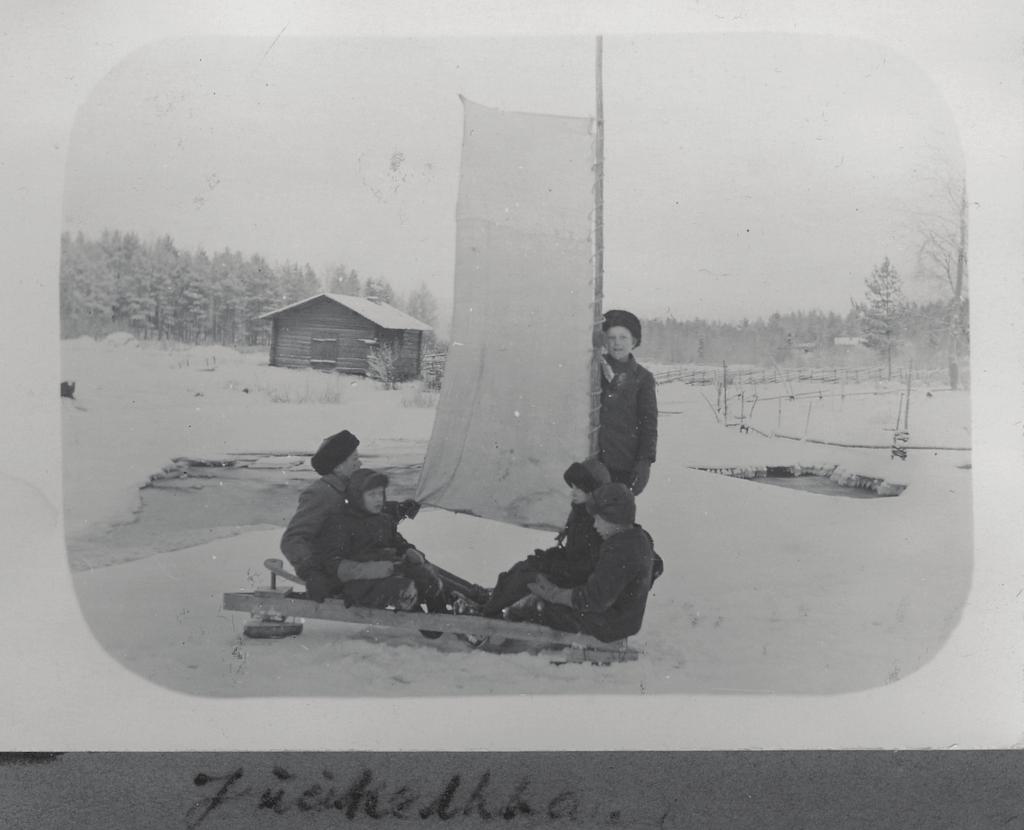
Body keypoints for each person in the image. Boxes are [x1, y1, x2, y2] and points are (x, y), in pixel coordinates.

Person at [517, 482, 656, 643]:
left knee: (539, 608)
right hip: (623, 618)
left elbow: (594, 599)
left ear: (614, 518)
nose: (595, 525)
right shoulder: (636, 537)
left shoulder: (619, 550)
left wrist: (554, 594)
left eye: (599, 520)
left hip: (610, 624)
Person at [480, 457, 610, 618]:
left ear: (592, 491)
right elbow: (572, 553)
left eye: (579, 488)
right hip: (569, 573)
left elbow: (587, 567)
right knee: (524, 566)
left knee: (528, 578)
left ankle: (486, 614)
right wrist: (547, 558)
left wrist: (551, 565)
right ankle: (490, 602)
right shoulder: (580, 514)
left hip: (577, 585)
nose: (573, 492)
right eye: (573, 487)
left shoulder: (597, 523)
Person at [280, 429, 363, 602]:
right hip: (332, 570)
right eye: (354, 459)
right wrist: (311, 573)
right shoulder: (320, 493)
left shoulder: (350, 488)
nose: (360, 463)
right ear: (339, 465)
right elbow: (293, 539)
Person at [598, 309, 658, 495]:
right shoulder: (594, 371)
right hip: (592, 464)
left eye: (623, 337)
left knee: (616, 519)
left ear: (634, 341)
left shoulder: (642, 378)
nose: (617, 343)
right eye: (611, 337)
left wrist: (644, 462)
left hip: (623, 464)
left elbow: (648, 423)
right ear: (604, 341)